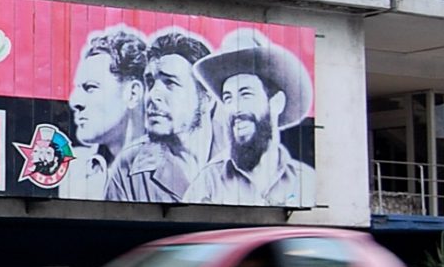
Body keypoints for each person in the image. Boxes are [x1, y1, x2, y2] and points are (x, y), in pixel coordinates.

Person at [185, 29, 316, 207]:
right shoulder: (208, 182)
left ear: (276, 103)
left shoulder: (305, 181)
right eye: (228, 98)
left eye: (246, 94)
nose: (235, 109)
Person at [105, 30, 216, 203]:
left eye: (170, 82)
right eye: (150, 82)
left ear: (206, 99)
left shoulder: (242, 157)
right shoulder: (129, 167)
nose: (152, 95)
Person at [60, 28, 147, 200]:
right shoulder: (73, 169)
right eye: (78, 88)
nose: (74, 101)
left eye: (90, 87)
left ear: (132, 94)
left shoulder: (170, 170)